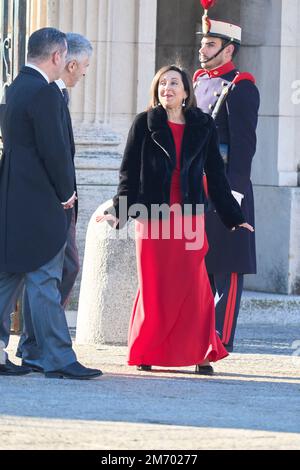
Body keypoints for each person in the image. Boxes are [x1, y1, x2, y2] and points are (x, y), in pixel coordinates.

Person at [96, 64, 253, 375]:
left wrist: (234, 217)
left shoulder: (203, 125)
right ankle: (148, 349)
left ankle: (202, 352)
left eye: (173, 83)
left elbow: (217, 176)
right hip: (151, 216)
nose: (166, 88)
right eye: (162, 84)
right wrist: (119, 210)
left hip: (189, 217)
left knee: (195, 286)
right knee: (155, 286)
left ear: (185, 92)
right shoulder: (145, 123)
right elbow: (129, 171)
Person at [0, 27, 102, 379]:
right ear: (58, 56)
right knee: (44, 277)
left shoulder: (16, 88)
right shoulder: (43, 92)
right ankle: (57, 357)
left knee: (9, 275)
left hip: (13, 197)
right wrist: (66, 194)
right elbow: (54, 152)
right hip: (41, 200)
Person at [193, 9, 260, 352]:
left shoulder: (241, 87)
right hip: (198, 186)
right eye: (203, 44)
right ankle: (200, 334)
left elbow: (244, 145)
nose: (203, 50)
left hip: (227, 189)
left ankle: (220, 338)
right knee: (201, 263)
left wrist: (232, 193)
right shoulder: (198, 80)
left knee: (227, 267)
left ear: (229, 49)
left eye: (211, 44)